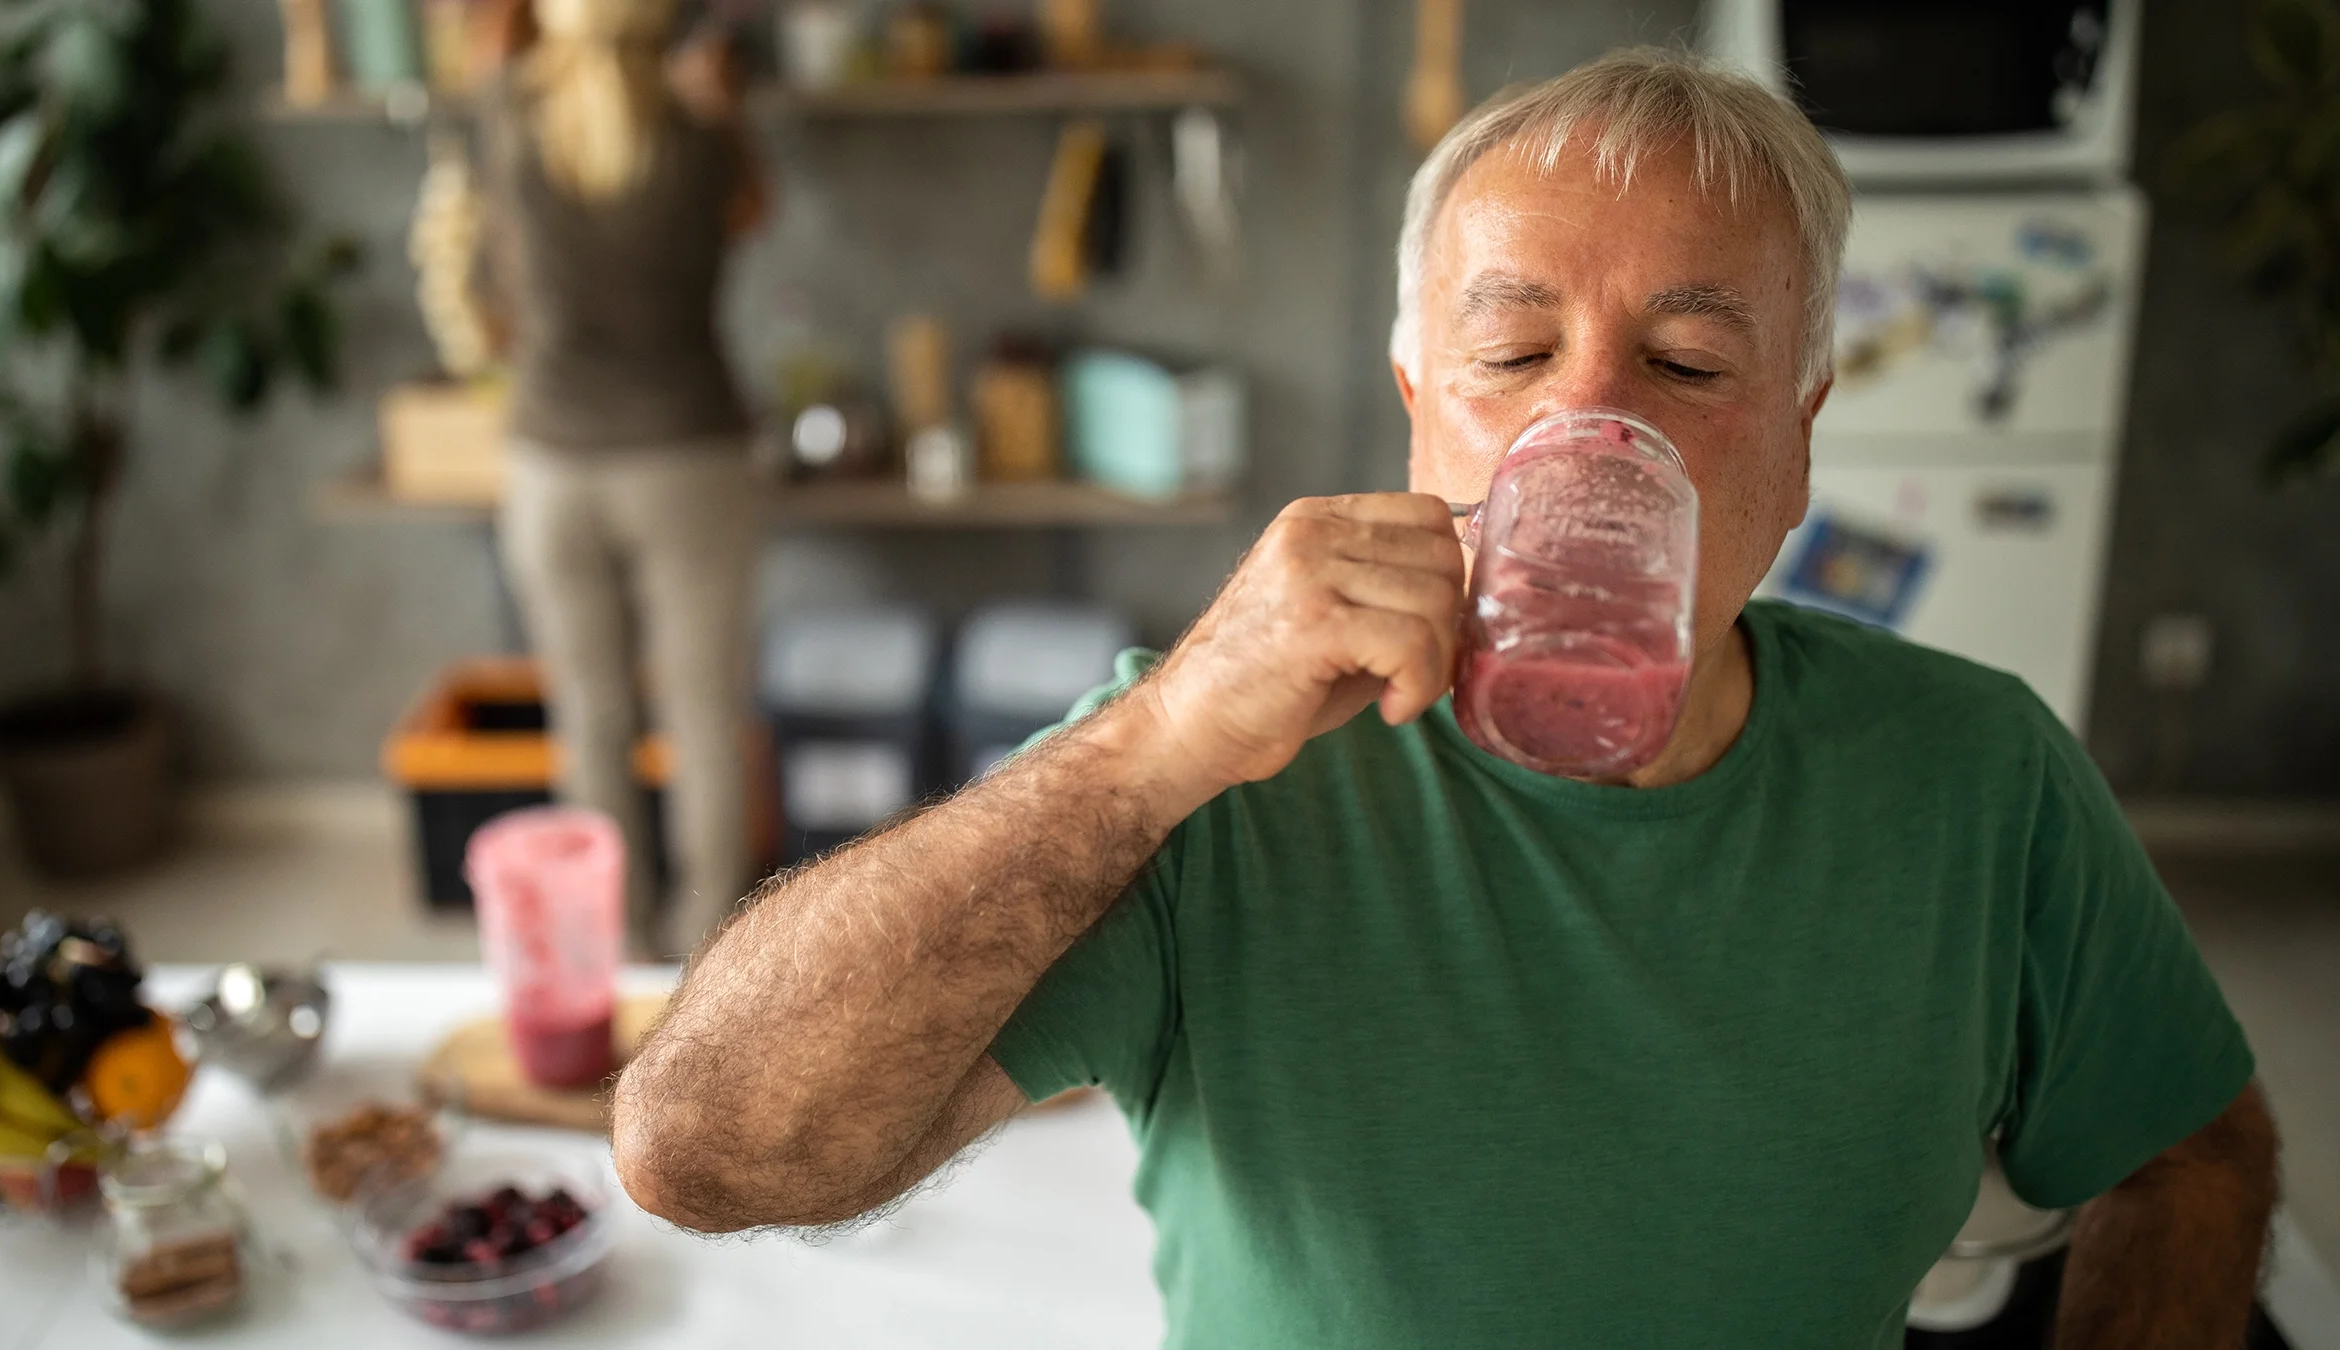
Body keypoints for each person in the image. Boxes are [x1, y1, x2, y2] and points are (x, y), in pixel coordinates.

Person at [610, 48, 2278, 1349]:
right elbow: (702, 1149)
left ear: (1798, 440)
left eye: (1691, 365)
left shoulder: (1973, 773)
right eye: (1512, 352)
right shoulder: (1214, 760)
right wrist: (1146, 750)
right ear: (1421, 410)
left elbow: (2190, 1151)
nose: (1591, 419)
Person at [482, 0, 770, 954]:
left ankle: (610, 943)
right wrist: (725, 107)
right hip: (688, 457)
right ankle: (702, 961)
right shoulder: (697, 141)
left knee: (590, 718)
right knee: (702, 719)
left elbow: (501, 285)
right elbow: (753, 212)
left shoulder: (513, 120)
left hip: (552, 464)